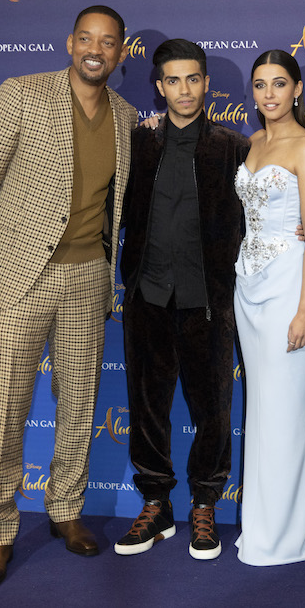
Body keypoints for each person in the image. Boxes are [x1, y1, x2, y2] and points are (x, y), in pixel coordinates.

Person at [0, 5, 136, 589]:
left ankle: (65, 511)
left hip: (90, 280)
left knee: (79, 403)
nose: (96, 49)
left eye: (108, 43)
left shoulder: (128, 118)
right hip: (19, 278)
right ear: (69, 43)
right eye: (86, 39)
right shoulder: (22, 93)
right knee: (7, 404)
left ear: (120, 53)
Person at [116, 39, 250, 561]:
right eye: (173, 80)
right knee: (147, 408)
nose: (185, 89)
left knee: (212, 409)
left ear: (207, 83)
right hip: (147, 297)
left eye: (193, 78)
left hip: (208, 303)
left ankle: (204, 504)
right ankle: (156, 503)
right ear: (159, 87)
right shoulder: (138, 144)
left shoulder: (231, 147)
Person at [234, 50, 305, 566]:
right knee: (264, 410)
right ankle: (286, 529)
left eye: (278, 84)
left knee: (285, 411)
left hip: (291, 287)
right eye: (259, 85)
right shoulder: (249, 144)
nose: (268, 94)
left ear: (296, 90)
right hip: (247, 286)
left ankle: (286, 538)